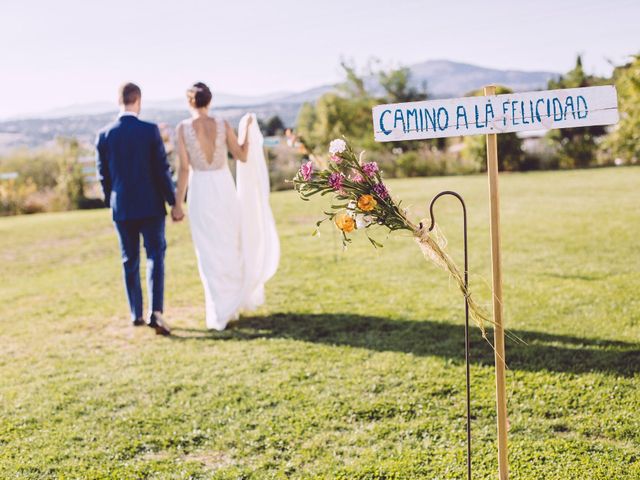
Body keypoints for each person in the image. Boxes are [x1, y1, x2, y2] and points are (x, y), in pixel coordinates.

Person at [172, 82, 279, 330]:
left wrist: (178, 203)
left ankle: (220, 310)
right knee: (230, 244)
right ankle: (230, 305)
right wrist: (247, 130)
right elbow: (241, 155)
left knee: (209, 251)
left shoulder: (183, 128)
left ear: (190, 102)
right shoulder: (222, 124)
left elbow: (184, 168)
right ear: (209, 101)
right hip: (223, 187)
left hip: (200, 190)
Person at [95, 82, 175, 336]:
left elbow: (103, 176)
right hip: (151, 206)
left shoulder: (104, 135)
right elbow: (162, 170)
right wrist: (173, 201)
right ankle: (156, 312)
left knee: (129, 260)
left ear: (119, 101)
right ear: (138, 100)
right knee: (154, 257)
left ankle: (135, 314)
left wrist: (112, 201)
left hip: (123, 208)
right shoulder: (149, 131)